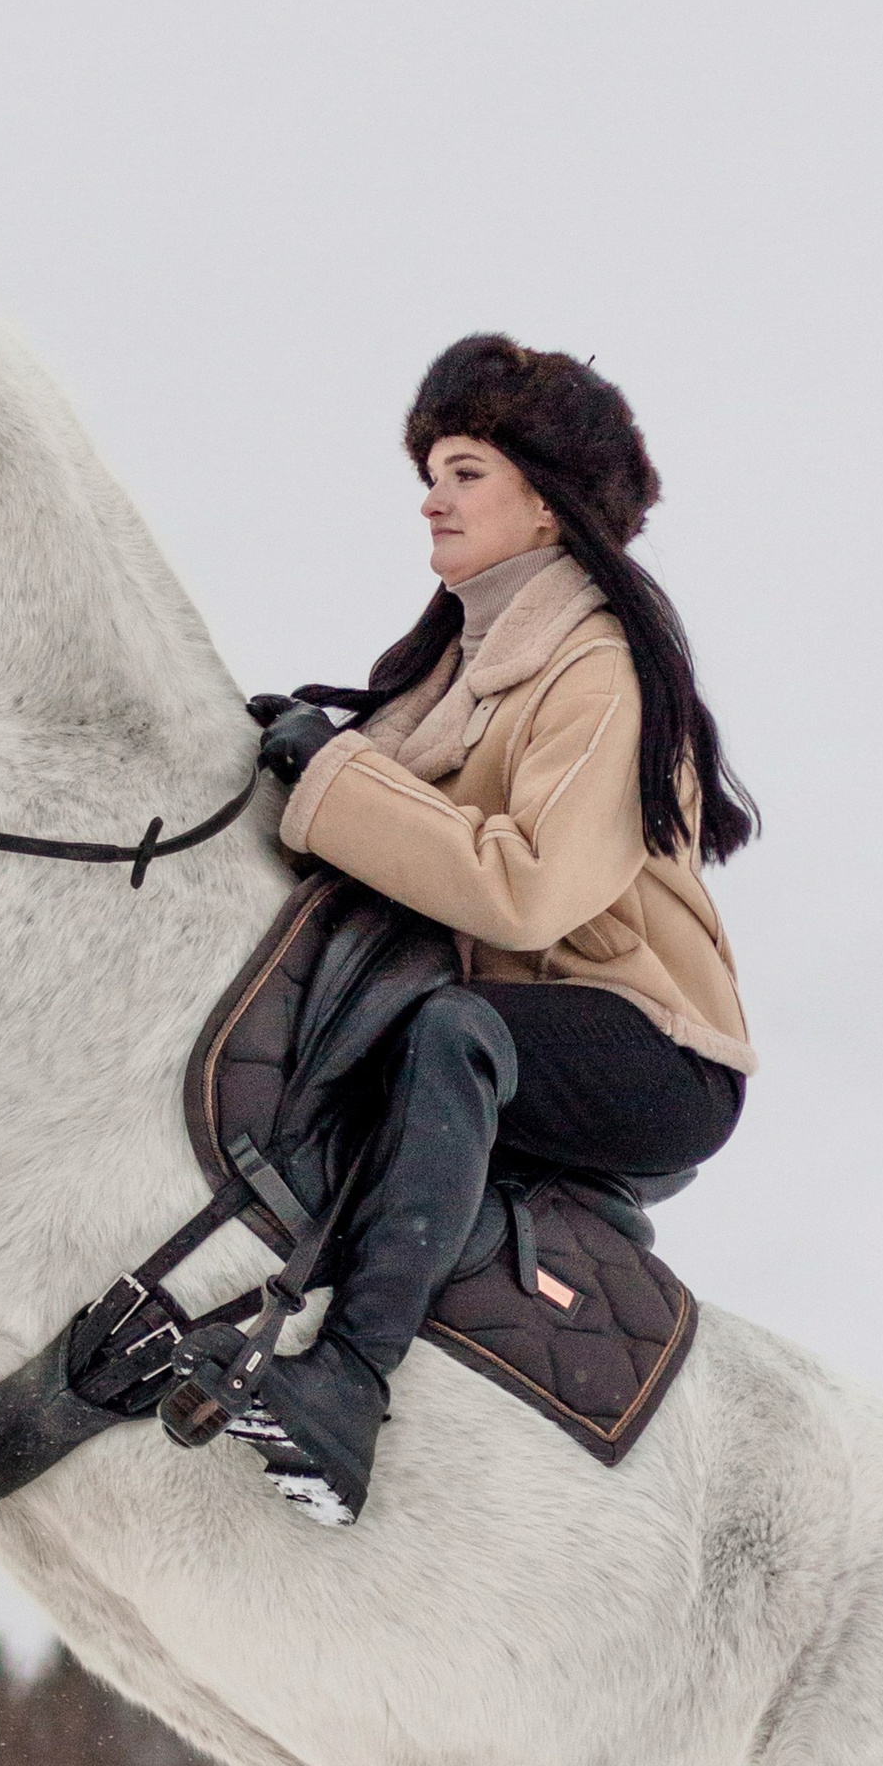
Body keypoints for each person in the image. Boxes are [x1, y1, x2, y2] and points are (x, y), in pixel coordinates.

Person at [214, 334, 757, 1527]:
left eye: (465, 470)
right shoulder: (449, 666)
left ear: (548, 504)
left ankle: (349, 1384)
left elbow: (521, 895)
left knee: (455, 1028)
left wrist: (336, 779)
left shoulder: (598, 671)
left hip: (652, 1053)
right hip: (513, 1026)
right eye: (431, 471)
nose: (431, 497)